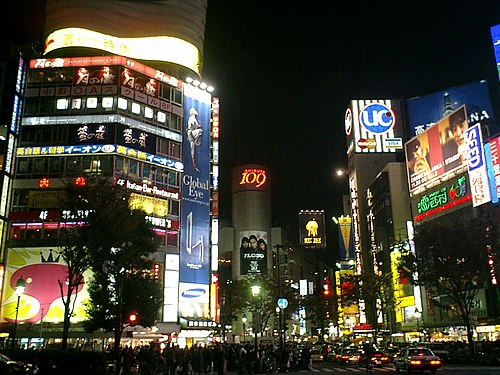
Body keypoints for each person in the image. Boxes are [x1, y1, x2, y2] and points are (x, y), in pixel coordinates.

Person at [187, 107, 203, 172]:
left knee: (192, 149)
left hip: (191, 132)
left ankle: (194, 165)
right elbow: (191, 125)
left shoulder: (193, 118)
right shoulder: (192, 118)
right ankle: (194, 165)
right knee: (200, 131)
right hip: (191, 132)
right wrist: (197, 126)